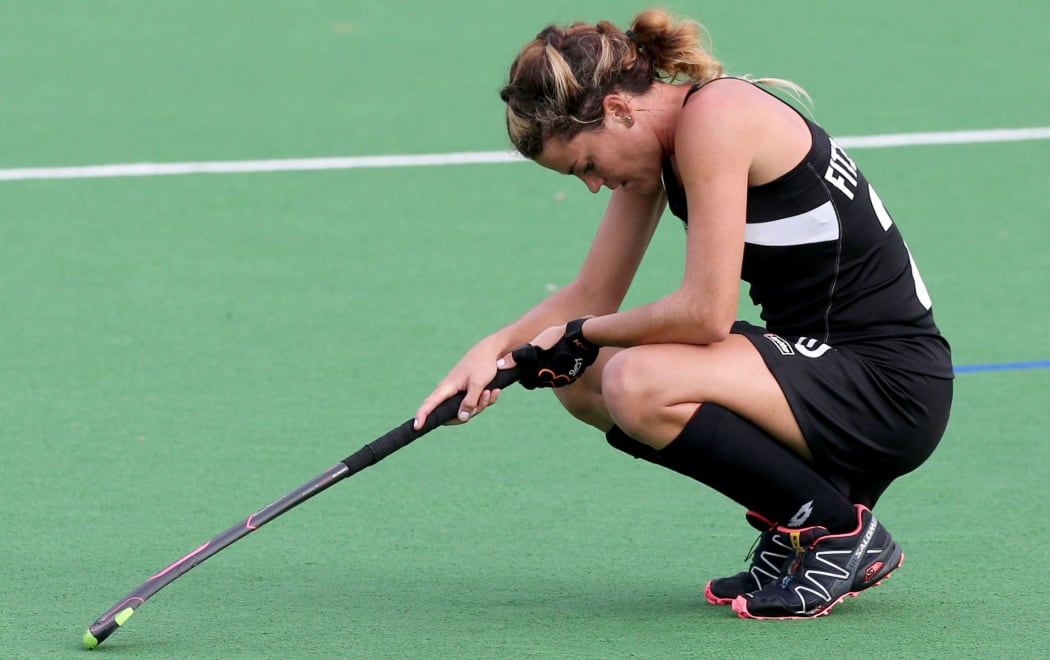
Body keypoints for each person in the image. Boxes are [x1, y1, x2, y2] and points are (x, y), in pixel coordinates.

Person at [414, 8, 953, 620]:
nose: (593, 185)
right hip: (818, 378)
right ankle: (804, 517)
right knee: (584, 378)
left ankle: (834, 530)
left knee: (634, 378)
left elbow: (704, 314)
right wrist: (491, 353)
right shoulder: (659, 144)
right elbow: (594, 291)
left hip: (890, 388)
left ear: (618, 111)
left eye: (586, 165)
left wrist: (580, 335)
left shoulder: (718, 118)